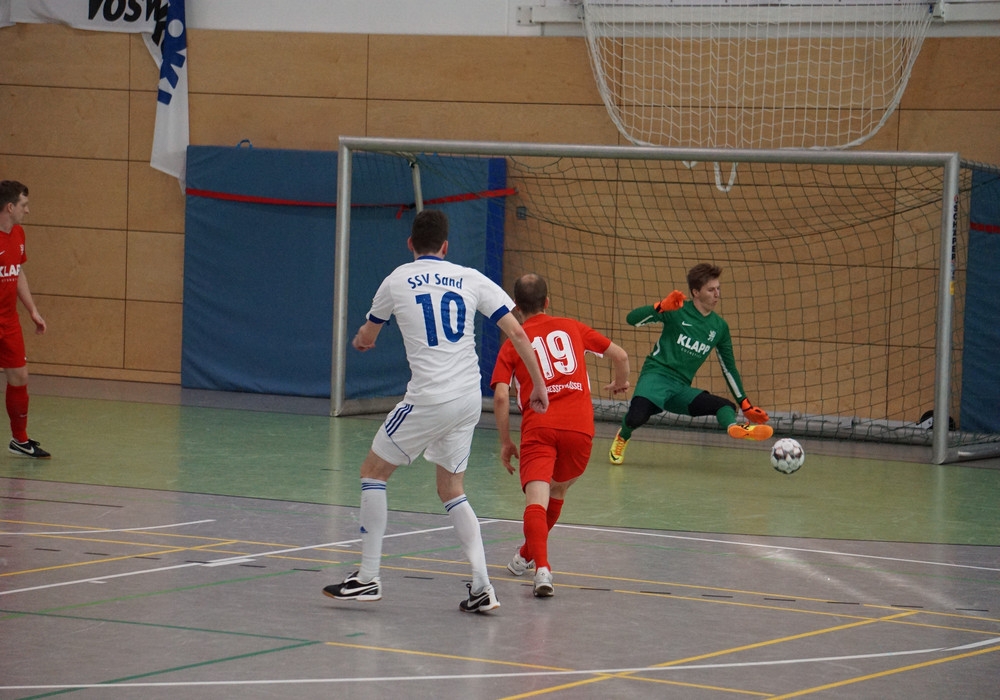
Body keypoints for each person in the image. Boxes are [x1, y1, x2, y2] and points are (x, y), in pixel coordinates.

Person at [322, 209, 549, 613]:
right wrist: (539, 385)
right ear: (446, 246)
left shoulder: (396, 279)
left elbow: (369, 333)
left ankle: (368, 578)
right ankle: (482, 587)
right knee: (451, 489)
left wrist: (362, 340)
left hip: (429, 397)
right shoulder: (471, 278)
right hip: (467, 399)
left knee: (372, 472)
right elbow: (517, 331)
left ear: (410, 244)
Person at [491, 273, 629, 597]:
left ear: (516, 307)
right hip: (579, 427)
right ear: (547, 302)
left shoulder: (513, 342)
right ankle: (525, 556)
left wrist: (506, 441)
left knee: (536, 499)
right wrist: (621, 382)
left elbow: (500, 396)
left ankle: (542, 568)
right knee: (558, 490)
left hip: (539, 425)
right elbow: (621, 356)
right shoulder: (572, 327)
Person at [609, 263, 772, 465]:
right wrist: (660, 306)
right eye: (711, 290)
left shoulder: (720, 327)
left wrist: (745, 404)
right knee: (636, 417)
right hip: (656, 376)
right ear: (695, 292)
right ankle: (623, 436)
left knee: (725, 406)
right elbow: (631, 319)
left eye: (718, 288)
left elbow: (728, 368)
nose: (717, 294)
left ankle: (735, 427)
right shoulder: (676, 310)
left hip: (680, 387)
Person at [0, 181, 49, 459]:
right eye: (24, 205)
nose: (27, 211)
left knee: (19, 377)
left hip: (8, 321)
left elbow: (17, 272)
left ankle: (19, 440)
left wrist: (32, 310)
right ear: (10, 207)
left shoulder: (18, 233)